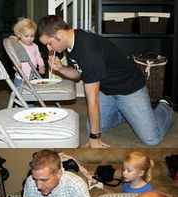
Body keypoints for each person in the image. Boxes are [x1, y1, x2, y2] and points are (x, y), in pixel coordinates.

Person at [37, 15, 175, 148]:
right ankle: (127, 112)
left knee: (152, 139)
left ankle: (165, 106)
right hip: (108, 90)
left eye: (49, 43)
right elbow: (78, 74)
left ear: (59, 34)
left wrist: (95, 138)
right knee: (92, 126)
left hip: (130, 89)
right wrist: (61, 68)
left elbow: (93, 99)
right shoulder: (72, 41)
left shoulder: (88, 51)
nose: (49, 48)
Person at [12, 18, 45, 87]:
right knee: (19, 95)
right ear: (19, 34)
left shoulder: (35, 46)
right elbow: (9, 43)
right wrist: (14, 39)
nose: (29, 39)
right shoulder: (17, 44)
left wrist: (41, 65)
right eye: (26, 36)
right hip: (20, 78)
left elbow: (38, 58)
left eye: (32, 36)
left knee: (32, 94)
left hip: (32, 77)